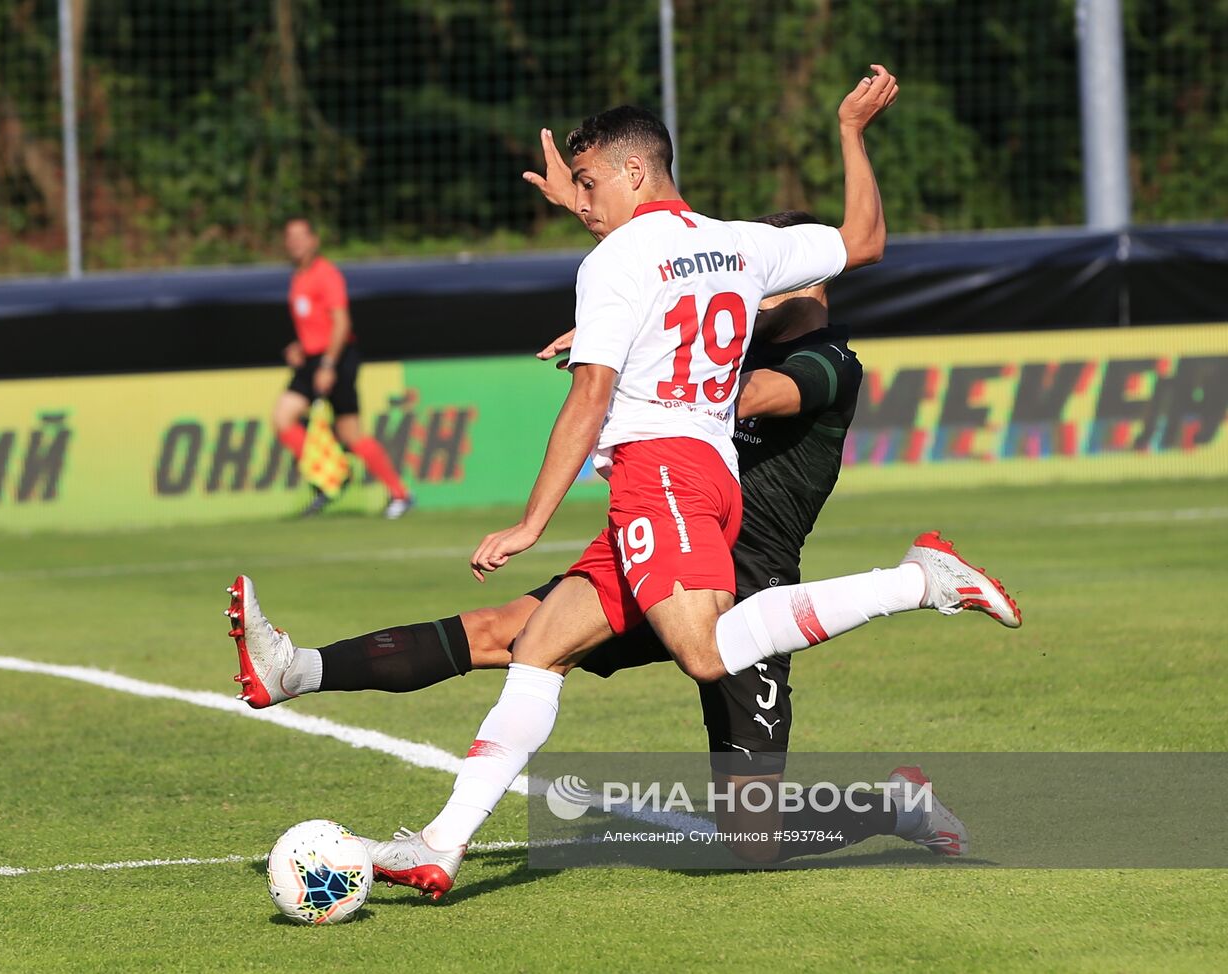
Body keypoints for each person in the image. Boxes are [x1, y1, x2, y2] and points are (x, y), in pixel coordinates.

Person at [231, 68, 1016, 897]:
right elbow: (859, 242)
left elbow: (606, 390)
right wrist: (850, 135)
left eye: (593, 179)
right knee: (526, 642)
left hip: (698, 518)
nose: (584, 195)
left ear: (635, 171)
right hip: (685, 500)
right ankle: (428, 830)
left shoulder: (814, 353)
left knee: (725, 725)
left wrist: (534, 517)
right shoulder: (739, 245)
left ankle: (916, 582)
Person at [273, 217, 413, 519]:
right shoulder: (298, 276)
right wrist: (301, 346)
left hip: (335, 360)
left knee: (351, 435)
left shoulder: (326, 274)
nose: (295, 242)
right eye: (290, 237)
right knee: (282, 419)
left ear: (314, 240)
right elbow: (315, 324)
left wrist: (327, 364)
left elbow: (341, 323)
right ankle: (330, 477)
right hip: (312, 360)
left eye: (301, 236)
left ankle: (400, 493)